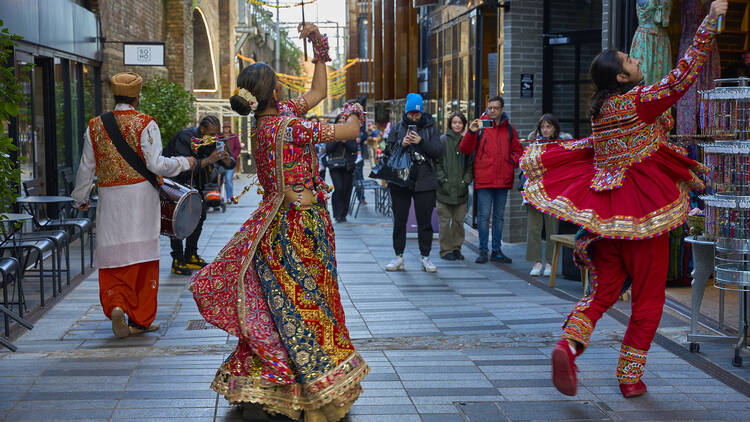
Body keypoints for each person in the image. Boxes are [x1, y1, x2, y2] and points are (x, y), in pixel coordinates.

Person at [521, 0, 727, 399]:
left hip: (608, 218)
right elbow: (683, 76)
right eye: (631, 59)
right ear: (621, 74)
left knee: (600, 294)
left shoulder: (602, 111)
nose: (637, 60)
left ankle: (568, 345)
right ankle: (630, 377)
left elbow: (607, 148)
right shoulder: (640, 101)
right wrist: (709, 20)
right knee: (649, 297)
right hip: (645, 213)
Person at [190, 23, 369, 422]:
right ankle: (315, 394)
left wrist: (319, 46)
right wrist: (355, 107)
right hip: (301, 229)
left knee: (282, 308)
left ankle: (282, 387)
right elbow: (350, 129)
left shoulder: (269, 123)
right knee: (310, 309)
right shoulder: (290, 127)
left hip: (276, 229)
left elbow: (318, 93)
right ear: (274, 92)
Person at [71, 72, 196, 338]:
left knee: (114, 254)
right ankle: (140, 319)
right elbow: (156, 165)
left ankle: (116, 303)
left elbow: (86, 167)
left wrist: (80, 197)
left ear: (114, 95)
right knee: (142, 256)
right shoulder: (146, 123)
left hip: (110, 198)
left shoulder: (95, 125)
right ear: (137, 96)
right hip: (141, 198)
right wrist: (184, 163)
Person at [163, 115, 235, 276]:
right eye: (210, 133)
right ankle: (178, 259)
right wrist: (209, 160)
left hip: (197, 184)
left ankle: (191, 255)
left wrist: (227, 160)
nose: (213, 137)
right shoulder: (185, 138)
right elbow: (183, 167)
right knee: (178, 221)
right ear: (202, 129)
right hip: (177, 184)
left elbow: (229, 162)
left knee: (199, 216)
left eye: (216, 133)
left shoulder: (212, 140)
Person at [384, 93, 444, 273]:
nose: (414, 117)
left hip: (425, 180)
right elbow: (387, 153)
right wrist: (401, 144)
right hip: (401, 180)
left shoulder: (431, 128)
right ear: (406, 112)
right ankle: (398, 256)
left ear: (421, 112)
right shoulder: (397, 128)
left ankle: (425, 257)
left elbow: (438, 152)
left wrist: (421, 142)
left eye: (416, 114)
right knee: (399, 220)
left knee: (424, 221)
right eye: (411, 113)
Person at [459, 96, 522, 264]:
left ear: (502, 109)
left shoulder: (509, 129)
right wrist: (471, 132)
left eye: (496, 108)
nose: (492, 110)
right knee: (484, 216)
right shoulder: (480, 127)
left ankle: (496, 250)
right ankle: (483, 251)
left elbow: (518, 151)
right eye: (490, 107)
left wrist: (511, 162)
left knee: (499, 217)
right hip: (484, 178)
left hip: (503, 179)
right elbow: (465, 148)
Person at [524, 113, 572, 276]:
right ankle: (536, 262)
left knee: (552, 228)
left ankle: (551, 262)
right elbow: (526, 165)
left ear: (555, 128)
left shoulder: (561, 145)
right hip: (534, 190)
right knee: (533, 228)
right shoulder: (533, 144)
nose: (545, 130)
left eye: (548, 126)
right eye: (542, 127)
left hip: (552, 192)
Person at [435, 112, 473, 261]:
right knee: (444, 222)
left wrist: (465, 181)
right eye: (454, 122)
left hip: (461, 190)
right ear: (450, 124)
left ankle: (457, 248)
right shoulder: (443, 141)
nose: (457, 125)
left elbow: (471, 165)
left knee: (458, 222)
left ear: (464, 125)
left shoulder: (467, 141)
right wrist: (442, 180)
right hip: (443, 189)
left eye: (460, 123)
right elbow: (437, 163)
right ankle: (445, 250)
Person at [326, 113, 358, 222]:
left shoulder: (351, 134)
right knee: (338, 188)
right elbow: (328, 149)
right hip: (335, 166)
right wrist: (338, 139)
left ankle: (343, 213)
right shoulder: (331, 134)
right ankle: (337, 213)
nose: (341, 123)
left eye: (343, 121)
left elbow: (354, 148)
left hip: (348, 166)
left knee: (347, 189)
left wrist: (346, 141)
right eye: (339, 121)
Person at [221, 124, 243, 200]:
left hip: (231, 161)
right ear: (223, 128)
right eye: (225, 127)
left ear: (229, 128)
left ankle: (229, 198)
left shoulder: (234, 136)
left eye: (227, 127)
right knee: (220, 180)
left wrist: (233, 156)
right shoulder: (220, 137)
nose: (226, 129)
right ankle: (219, 198)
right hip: (221, 161)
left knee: (228, 179)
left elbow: (238, 147)